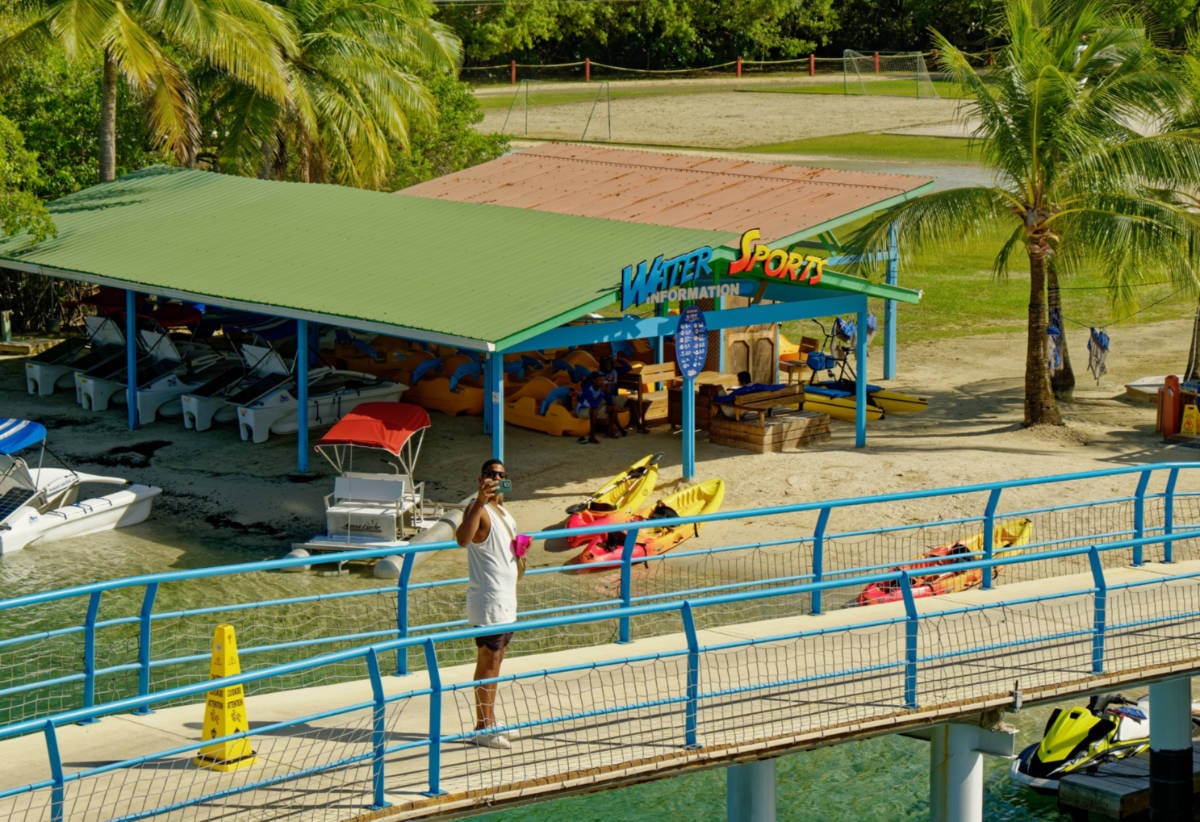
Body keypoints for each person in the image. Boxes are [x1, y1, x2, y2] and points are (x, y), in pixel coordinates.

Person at [455, 458, 520, 750]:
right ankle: (483, 727)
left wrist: (522, 553)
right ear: (480, 478)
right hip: (489, 600)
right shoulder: (477, 510)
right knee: (488, 660)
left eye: (501, 474)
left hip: (506, 600)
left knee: (497, 659)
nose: (496, 477)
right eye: (491, 474)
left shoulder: (503, 512)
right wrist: (479, 501)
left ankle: (489, 720)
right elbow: (462, 539)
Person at [714, 370, 784, 419]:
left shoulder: (739, 391)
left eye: (738, 380)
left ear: (742, 381)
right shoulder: (758, 386)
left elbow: (726, 399)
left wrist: (714, 398)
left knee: (721, 392)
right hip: (745, 411)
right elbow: (772, 387)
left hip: (734, 413)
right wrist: (783, 385)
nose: (738, 381)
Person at [573, 371, 617, 444]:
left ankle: (610, 431)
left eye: (603, 380)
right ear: (594, 381)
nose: (602, 382)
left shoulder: (600, 388)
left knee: (613, 408)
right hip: (582, 411)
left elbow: (610, 402)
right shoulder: (587, 390)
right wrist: (602, 393)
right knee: (594, 410)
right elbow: (593, 404)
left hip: (593, 408)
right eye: (600, 380)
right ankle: (592, 436)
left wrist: (608, 393)